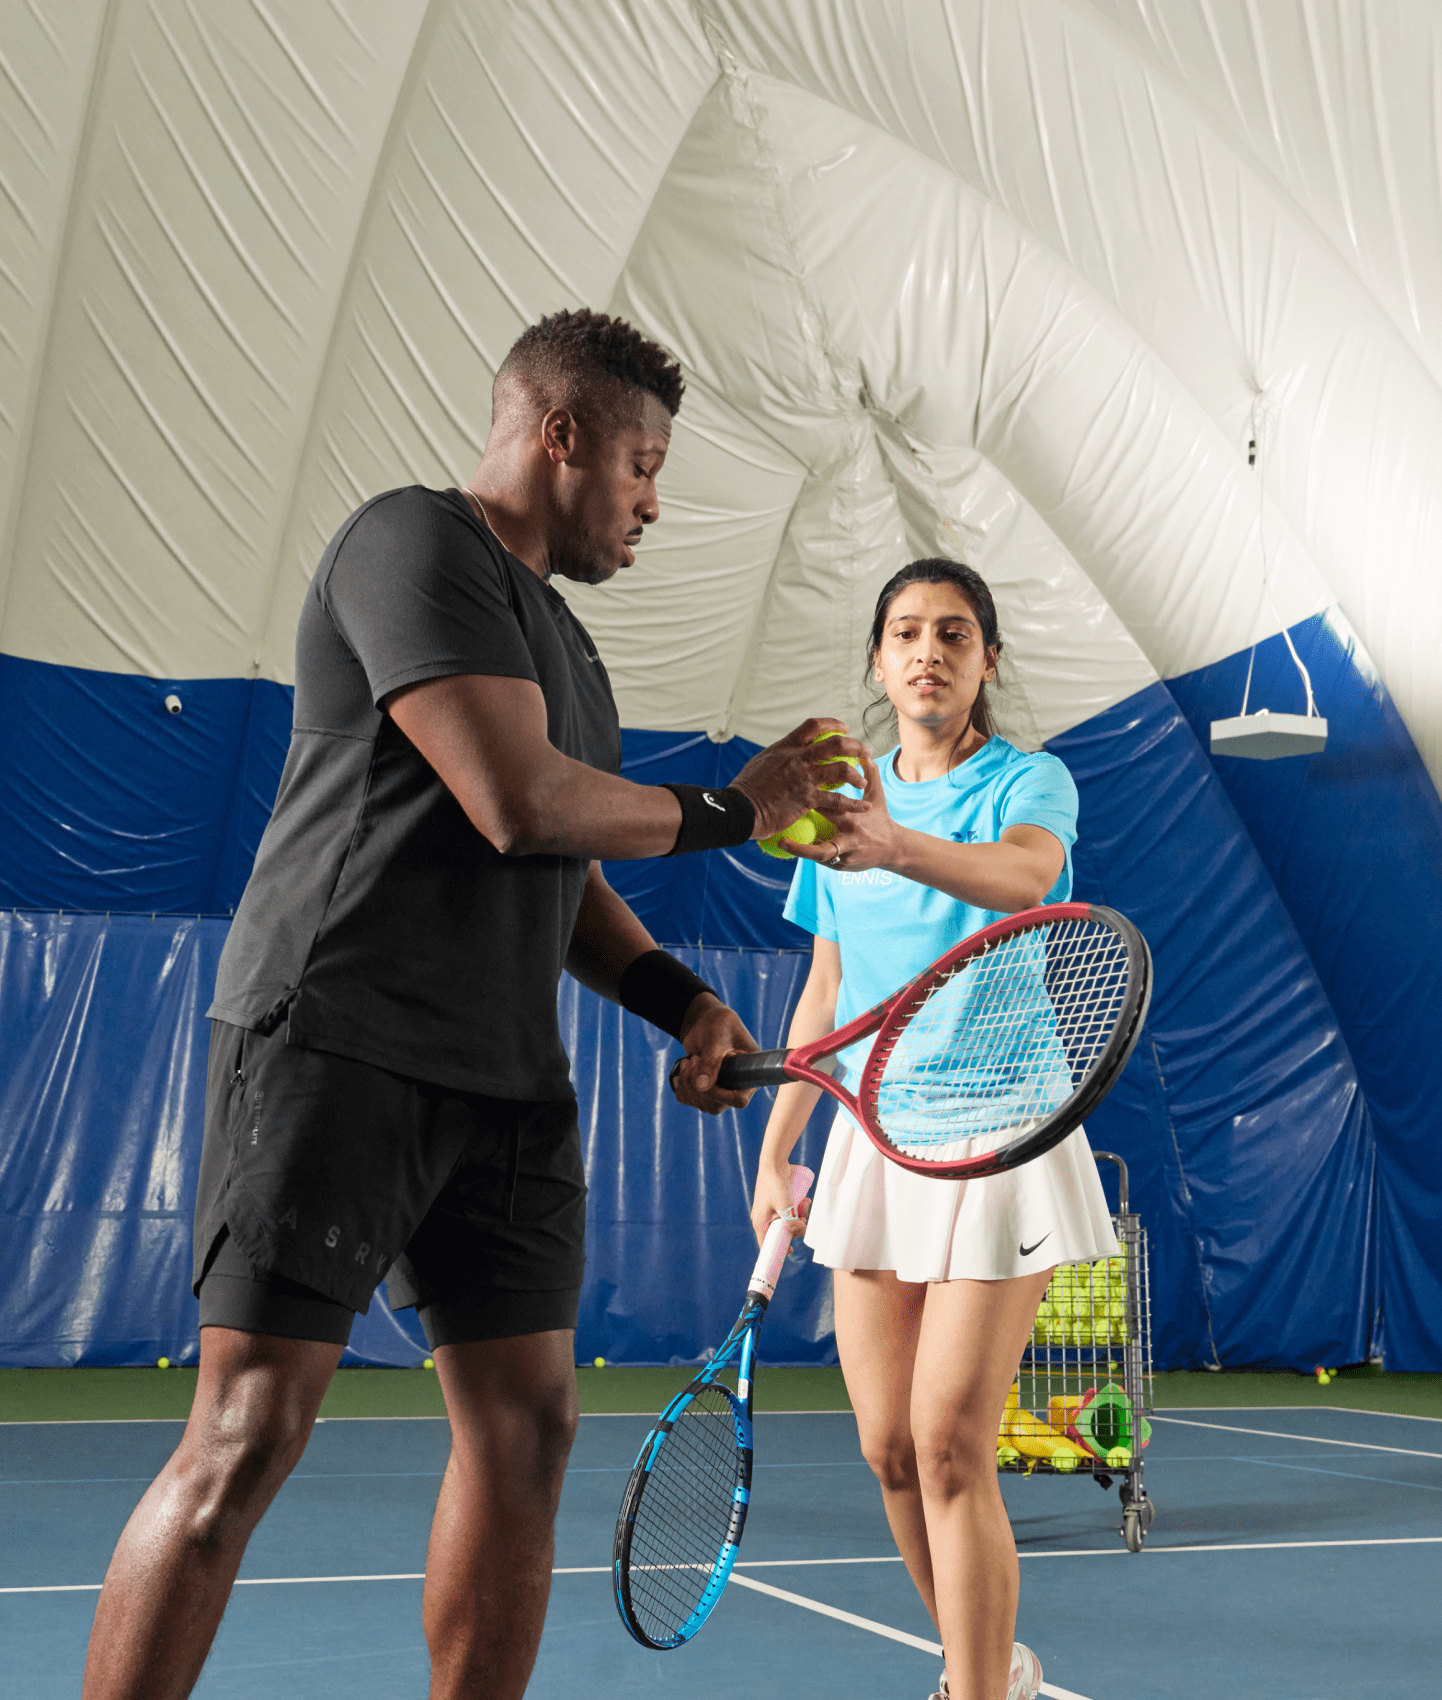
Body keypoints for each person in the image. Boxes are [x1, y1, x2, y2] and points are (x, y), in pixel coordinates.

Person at [80, 308, 867, 1700]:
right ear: (557, 436)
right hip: (334, 1038)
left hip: (504, 1083)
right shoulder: (411, 544)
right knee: (249, 1428)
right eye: (640, 462)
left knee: (528, 1427)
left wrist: (679, 998)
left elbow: (557, 867)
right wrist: (739, 809)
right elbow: (516, 800)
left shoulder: (569, 648)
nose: (651, 501)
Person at [749, 559, 1120, 1700]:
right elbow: (828, 984)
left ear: (985, 661)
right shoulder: (831, 803)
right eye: (904, 632)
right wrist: (777, 1142)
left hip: (999, 1135)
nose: (927, 651)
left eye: (953, 634)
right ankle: (990, 1668)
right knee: (890, 1451)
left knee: (953, 1440)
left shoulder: (1029, 781)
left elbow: (1023, 878)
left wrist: (896, 844)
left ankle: (968, 1694)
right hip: (871, 1134)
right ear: (875, 658)